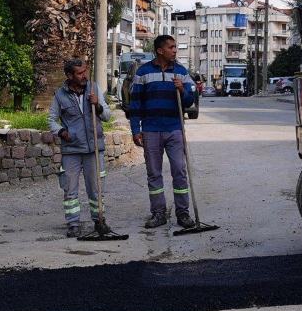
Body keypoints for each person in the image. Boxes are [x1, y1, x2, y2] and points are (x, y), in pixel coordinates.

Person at [127, 35, 197, 229]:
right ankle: (158, 213)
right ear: (160, 50)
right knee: (154, 174)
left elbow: (190, 101)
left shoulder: (181, 72)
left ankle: (182, 213)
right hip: (151, 130)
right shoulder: (143, 72)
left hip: (174, 129)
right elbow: (135, 103)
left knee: (180, 172)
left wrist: (183, 90)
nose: (175, 50)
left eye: (175, 47)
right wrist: (135, 129)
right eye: (171, 47)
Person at [48, 58, 113, 238]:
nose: (84, 75)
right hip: (72, 150)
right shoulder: (60, 95)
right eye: (79, 73)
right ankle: (73, 224)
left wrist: (98, 106)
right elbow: (51, 119)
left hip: (93, 148)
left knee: (96, 188)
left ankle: (99, 220)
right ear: (69, 75)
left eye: (85, 71)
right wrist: (61, 131)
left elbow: (107, 115)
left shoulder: (94, 88)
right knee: (70, 189)